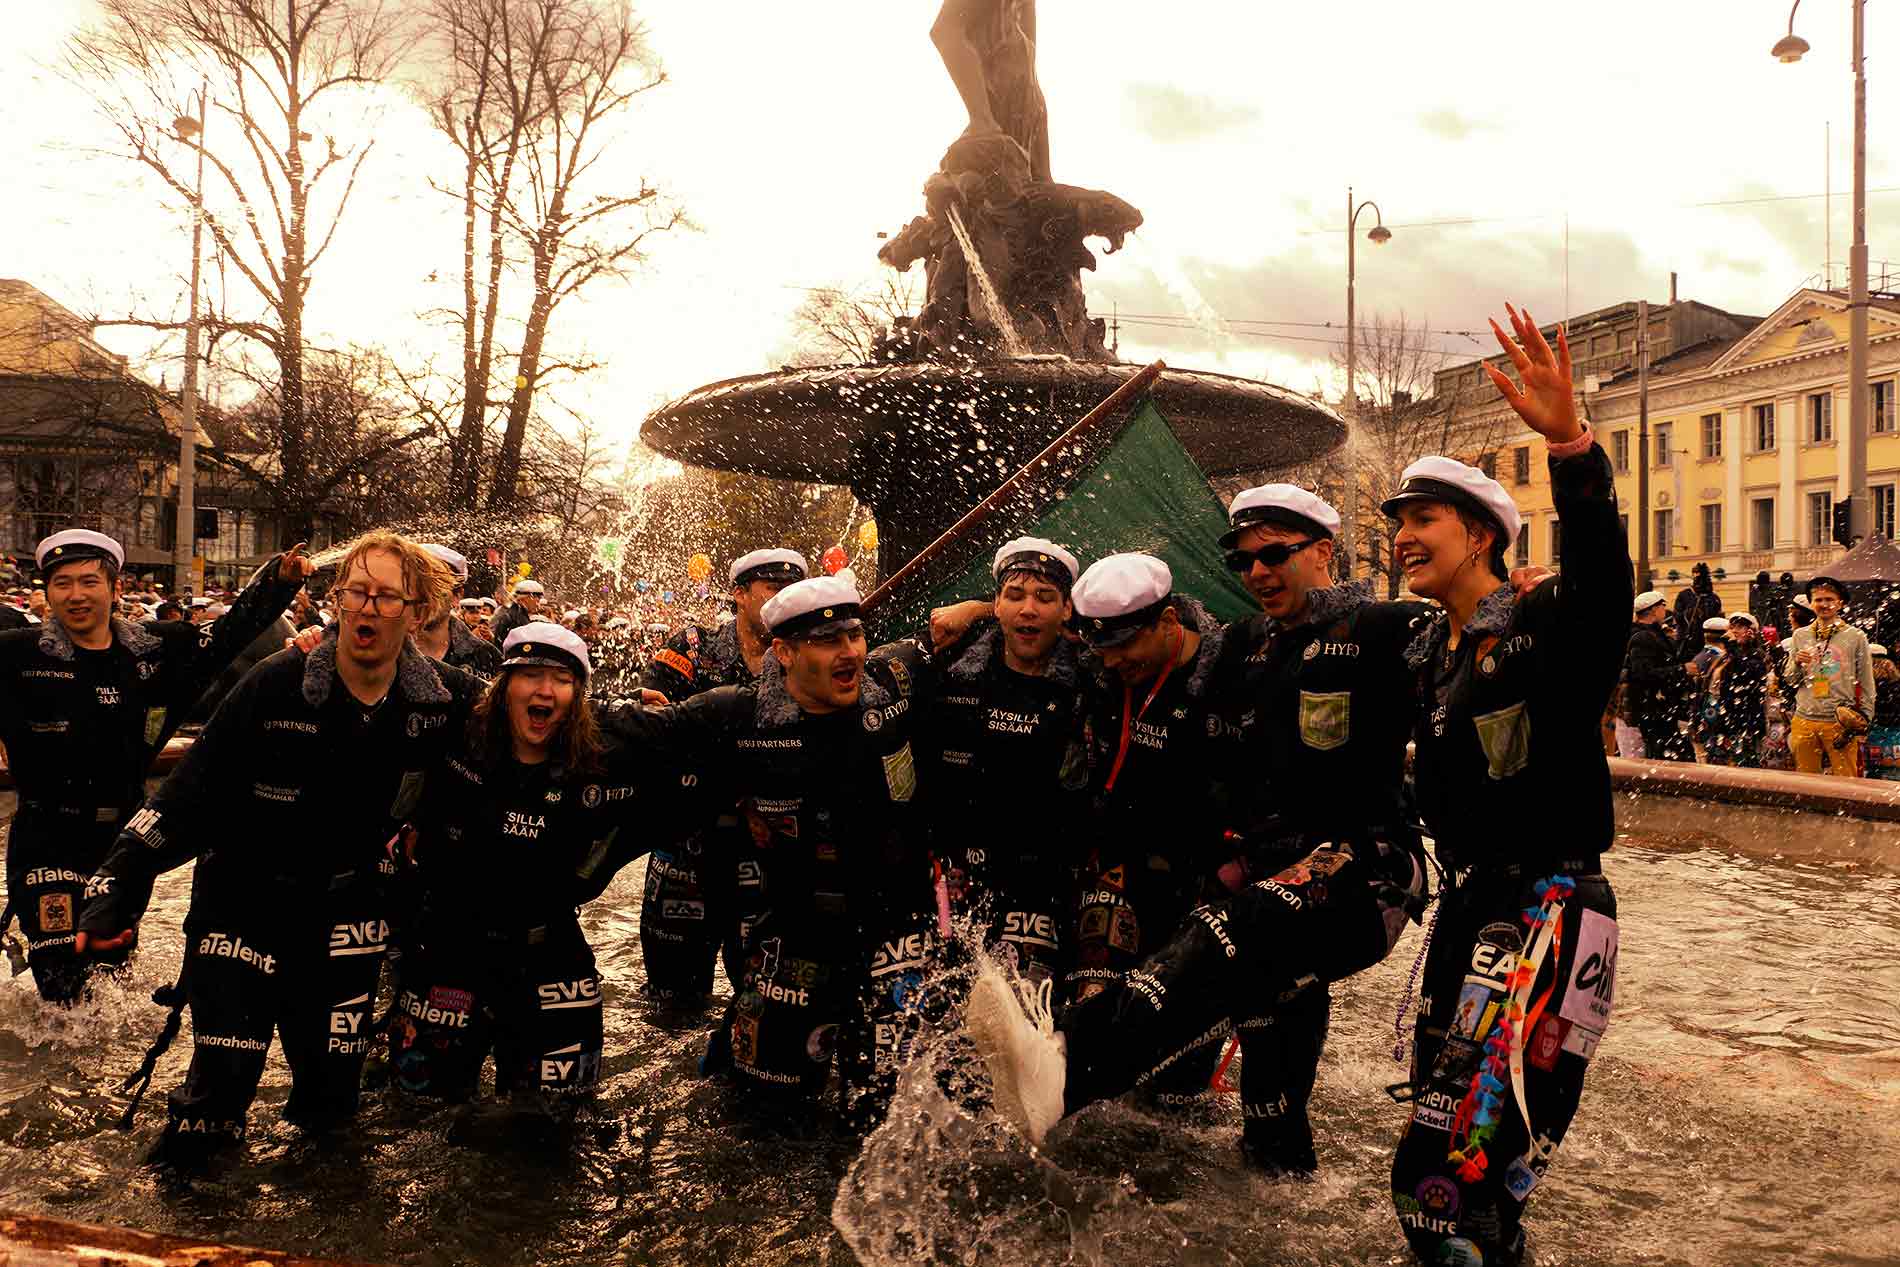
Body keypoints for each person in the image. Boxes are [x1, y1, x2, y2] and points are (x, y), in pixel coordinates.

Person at [977, 306, 1627, 1267]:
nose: (1402, 536)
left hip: (1543, 909)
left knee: (1447, 1177)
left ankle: (1068, 1062)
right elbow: (1169, 641)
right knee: (1441, 1174)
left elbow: (1604, 587)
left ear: (1487, 530)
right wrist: (986, 625)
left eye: (1424, 519)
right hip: (1470, 908)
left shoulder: (1525, 625)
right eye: (1396, 521)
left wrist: (1572, 447)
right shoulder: (1438, 649)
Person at [75, 531, 483, 1158]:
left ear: (418, 611)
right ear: (337, 599)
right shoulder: (279, 681)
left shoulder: (445, 699)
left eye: (385, 598)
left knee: (332, 1116)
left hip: (348, 917)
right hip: (243, 905)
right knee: (212, 1108)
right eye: (356, 593)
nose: (367, 609)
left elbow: (527, 747)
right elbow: (186, 795)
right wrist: (115, 888)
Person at [603, 574, 933, 1106]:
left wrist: (981, 607)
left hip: (897, 934)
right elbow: (639, 734)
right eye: (827, 641)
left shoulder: (894, 681)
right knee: (759, 1113)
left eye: (855, 635)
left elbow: (949, 633)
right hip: (795, 935)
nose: (848, 652)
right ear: (783, 652)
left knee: (890, 1112)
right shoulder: (738, 713)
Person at [1198, 483, 1431, 1175]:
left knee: (1256, 943)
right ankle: (1275, 1181)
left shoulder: (1384, 626)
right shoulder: (1243, 643)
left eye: (1275, 554)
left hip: (1368, 870)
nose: (1259, 573)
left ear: (1324, 549)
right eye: (1245, 562)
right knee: (1264, 991)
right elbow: (1158, 642)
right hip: (1269, 874)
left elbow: (1476, 636)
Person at [0, 529, 310, 1004]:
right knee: (61, 982)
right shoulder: (17, 653)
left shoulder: (158, 648)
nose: (76, 596)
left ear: (115, 589)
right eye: (62, 584)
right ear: (46, 592)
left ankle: (95, 1075)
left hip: (125, 838)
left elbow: (232, 634)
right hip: (46, 836)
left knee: (111, 974)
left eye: (89, 582)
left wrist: (279, 581)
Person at [386, 625, 654, 1122]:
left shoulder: (606, 759)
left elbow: (702, 753)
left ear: (578, 698)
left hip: (550, 954)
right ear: (504, 684)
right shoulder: (455, 733)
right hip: (448, 949)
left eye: (561, 680)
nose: (544, 691)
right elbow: (381, 678)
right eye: (529, 675)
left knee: (555, 1126)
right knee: (413, 1118)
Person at [635, 548, 808, 1009]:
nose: (782, 600)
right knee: (669, 1006)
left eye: (791, 591)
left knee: (765, 1002)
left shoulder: (807, 655)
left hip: (768, 856)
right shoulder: (693, 645)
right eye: (772, 589)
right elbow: (655, 727)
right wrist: (738, 793)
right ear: (740, 595)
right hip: (686, 850)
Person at [922, 538, 1089, 989]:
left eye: (1044, 598)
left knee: (1031, 1030)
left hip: (1048, 889)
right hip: (957, 882)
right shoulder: (952, 670)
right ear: (997, 605)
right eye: (1014, 596)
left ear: (1067, 609)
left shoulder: (1091, 683)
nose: (1028, 609)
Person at [1784, 575, 1875, 777]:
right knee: (1806, 782)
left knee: (1846, 782)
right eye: (1818, 600)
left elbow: (1867, 681)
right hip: (1804, 719)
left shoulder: (1855, 636)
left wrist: (1864, 720)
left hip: (1840, 722)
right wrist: (1797, 663)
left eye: (1829, 600)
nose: (1824, 604)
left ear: (1840, 603)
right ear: (1810, 603)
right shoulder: (1800, 635)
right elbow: (1790, 680)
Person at [1623, 591, 1697, 761]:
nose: (1665, 610)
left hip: (1661, 709)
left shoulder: (1654, 635)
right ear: (1653, 610)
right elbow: (1643, 673)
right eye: (1663, 606)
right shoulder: (1642, 637)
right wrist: (1681, 669)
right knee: (1667, 757)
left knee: (1670, 756)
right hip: (1653, 709)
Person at [421, 544, 502, 678]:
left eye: (437, 587)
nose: (424, 595)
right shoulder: (382, 650)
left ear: (457, 595)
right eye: (415, 585)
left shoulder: (486, 656)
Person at [1708, 613, 1768, 768]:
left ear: (1752, 632)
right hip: (1726, 721)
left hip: (1747, 723)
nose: (1734, 631)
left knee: (1746, 768)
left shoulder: (1757, 655)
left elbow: (1743, 673)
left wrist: (1733, 647)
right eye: (1732, 627)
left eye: (1740, 627)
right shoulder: (1726, 656)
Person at [490, 579, 546, 645]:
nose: (538, 603)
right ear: (526, 598)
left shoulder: (518, 614)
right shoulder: (511, 615)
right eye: (538, 598)